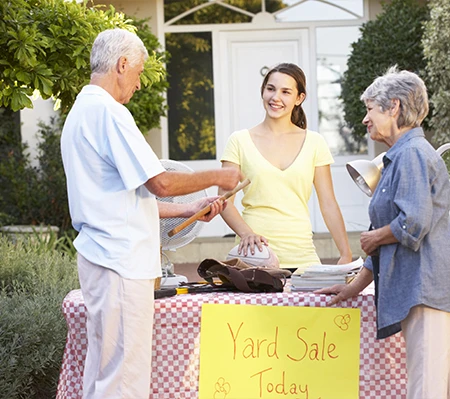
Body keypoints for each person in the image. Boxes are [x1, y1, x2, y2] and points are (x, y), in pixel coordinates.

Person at [61, 28, 241, 399]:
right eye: (140, 72)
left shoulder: (83, 110)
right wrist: (220, 175)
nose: (139, 84)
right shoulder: (109, 112)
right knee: (124, 381)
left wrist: (190, 207)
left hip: (102, 258)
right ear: (122, 64)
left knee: (103, 374)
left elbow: (126, 198)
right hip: (121, 262)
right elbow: (160, 182)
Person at [316, 66, 450, 398]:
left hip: (428, 291)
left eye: (370, 109)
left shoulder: (412, 154)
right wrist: (352, 287)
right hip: (429, 292)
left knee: (428, 389)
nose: (365, 119)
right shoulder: (400, 157)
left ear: (394, 108)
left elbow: (412, 223)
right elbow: (389, 240)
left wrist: (376, 237)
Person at [219, 63, 352, 270]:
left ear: (299, 98)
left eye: (286, 92)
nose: (276, 98)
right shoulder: (239, 141)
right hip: (253, 259)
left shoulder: (315, 143)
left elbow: (328, 204)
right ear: (263, 91)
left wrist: (345, 253)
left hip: (302, 258)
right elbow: (224, 200)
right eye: (270, 89)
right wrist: (247, 234)